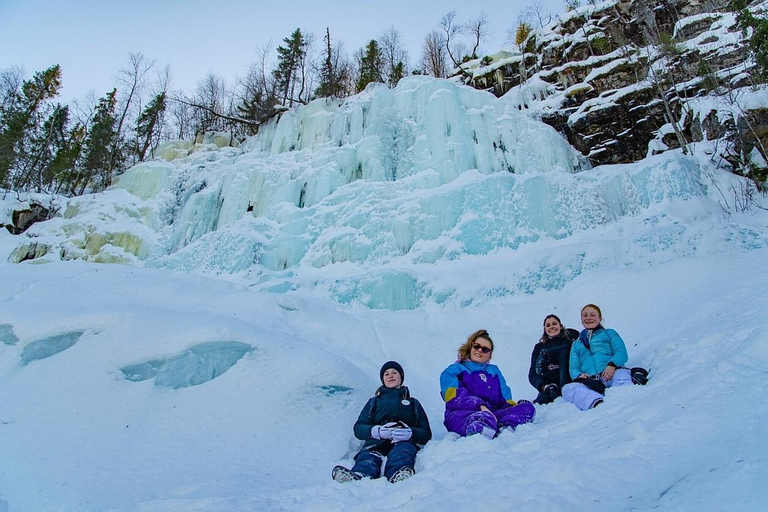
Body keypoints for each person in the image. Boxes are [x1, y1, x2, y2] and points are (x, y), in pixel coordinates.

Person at [332, 361, 432, 484]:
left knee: (403, 453)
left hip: (402, 442)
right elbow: (359, 428)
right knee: (368, 456)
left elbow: (426, 433)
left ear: (401, 376)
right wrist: (376, 431)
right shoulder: (373, 402)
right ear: (382, 379)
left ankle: (398, 474)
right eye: (386, 374)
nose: (391, 376)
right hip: (376, 442)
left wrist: (410, 433)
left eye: (394, 373)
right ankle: (359, 476)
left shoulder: (413, 403)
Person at [440, 329, 535, 438]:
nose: (479, 350)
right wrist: (480, 406)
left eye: (485, 349)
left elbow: (505, 399)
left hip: (493, 413)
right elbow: (454, 398)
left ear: (489, 355)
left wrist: (513, 408)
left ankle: (504, 428)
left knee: (527, 408)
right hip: (462, 414)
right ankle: (482, 430)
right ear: (470, 347)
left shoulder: (494, 372)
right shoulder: (453, 370)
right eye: (476, 346)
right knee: (482, 418)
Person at [562, 304, 633, 410]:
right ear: (581, 320)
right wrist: (579, 375)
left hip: (612, 373)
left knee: (622, 375)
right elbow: (574, 365)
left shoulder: (609, 333)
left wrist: (612, 365)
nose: (588, 318)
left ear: (599, 318)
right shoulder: (577, 344)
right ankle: (596, 403)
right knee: (567, 389)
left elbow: (621, 352)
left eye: (592, 315)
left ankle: (623, 398)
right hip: (591, 380)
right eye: (585, 315)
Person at [528, 314, 579, 404]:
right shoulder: (539, 347)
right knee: (541, 402)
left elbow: (570, 350)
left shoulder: (570, 342)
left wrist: (549, 352)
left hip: (567, 383)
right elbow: (532, 374)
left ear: (561, 326)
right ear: (545, 330)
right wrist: (544, 386)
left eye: (554, 324)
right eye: (548, 325)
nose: (551, 327)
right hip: (549, 386)